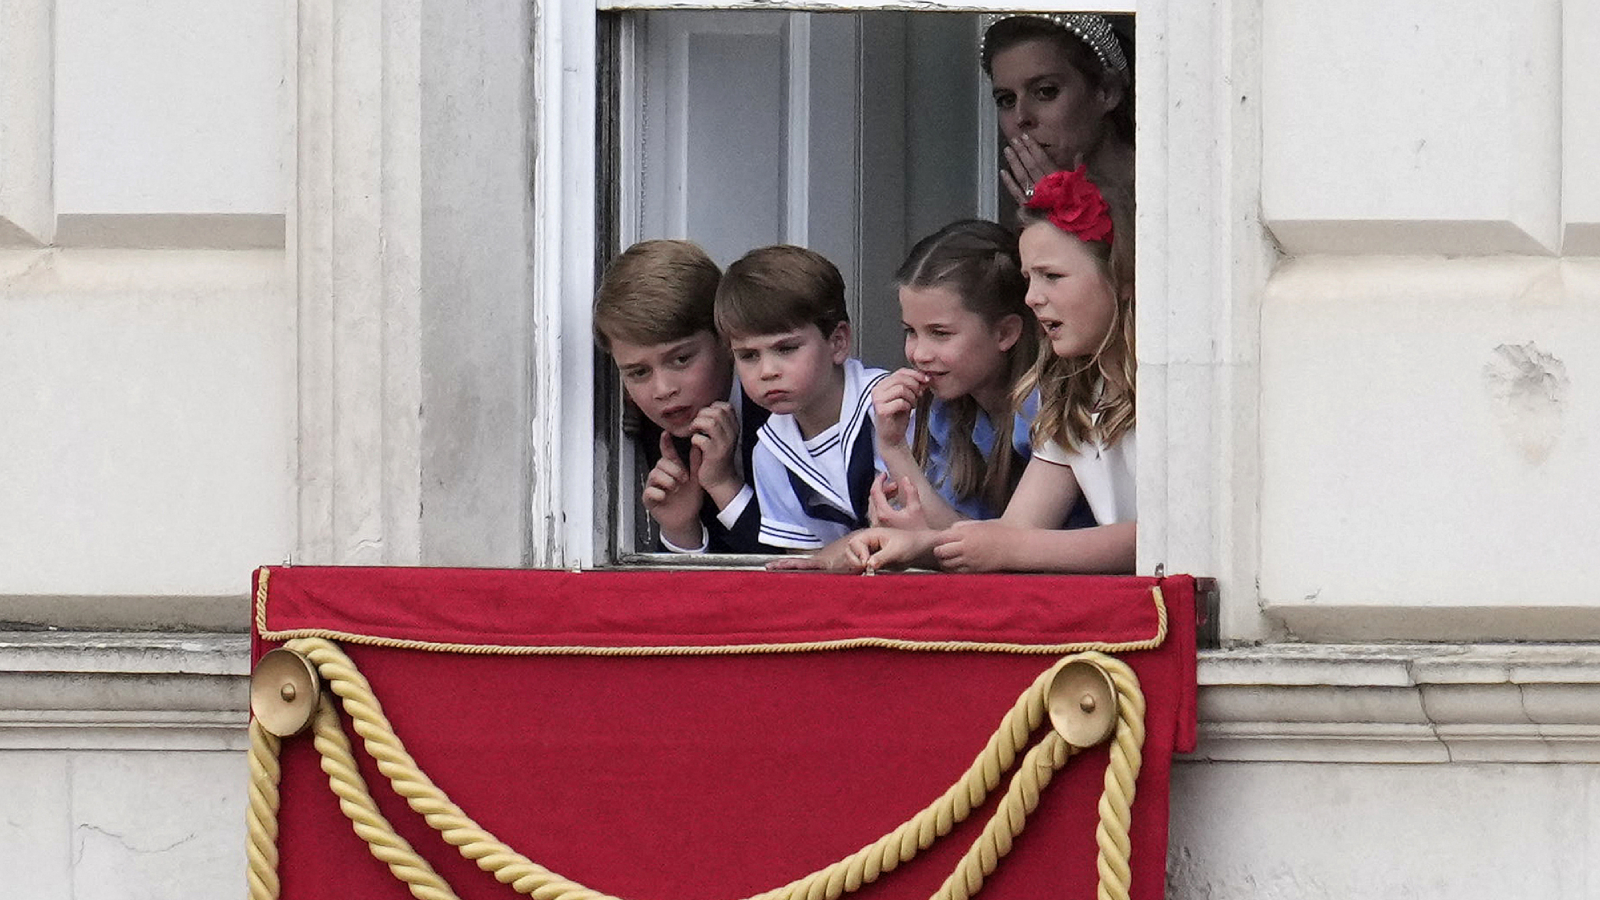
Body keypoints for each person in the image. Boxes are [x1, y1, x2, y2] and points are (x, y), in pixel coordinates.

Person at [847, 165, 1135, 574]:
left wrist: (936, 542)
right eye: (1029, 279)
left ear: (1121, 276)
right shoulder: (1074, 393)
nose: (1033, 298)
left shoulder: (1163, 389)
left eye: (1052, 277)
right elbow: (1010, 535)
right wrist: (913, 542)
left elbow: (1166, 537)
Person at [593, 239, 777, 554]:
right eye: (638, 373)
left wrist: (725, 487)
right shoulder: (658, 429)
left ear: (726, 340)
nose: (663, 389)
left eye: (681, 359)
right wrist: (681, 531)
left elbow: (801, 566)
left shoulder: (784, 405)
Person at [713, 244, 890, 551]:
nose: (767, 371)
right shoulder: (768, 453)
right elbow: (804, 563)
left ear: (837, 342)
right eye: (748, 355)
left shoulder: (890, 405)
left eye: (786, 349)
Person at [869, 219, 1039, 528]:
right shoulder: (946, 412)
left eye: (940, 333)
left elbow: (971, 546)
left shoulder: (1042, 408)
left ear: (1005, 333)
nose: (919, 354)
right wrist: (893, 447)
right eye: (911, 331)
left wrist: (896, 453)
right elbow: (950, 530)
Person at [982, 13, 1133, 210]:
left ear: (1106, 91)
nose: (1021, 117)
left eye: (1046, 91)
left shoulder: (1169, 187)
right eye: (1007, 100)